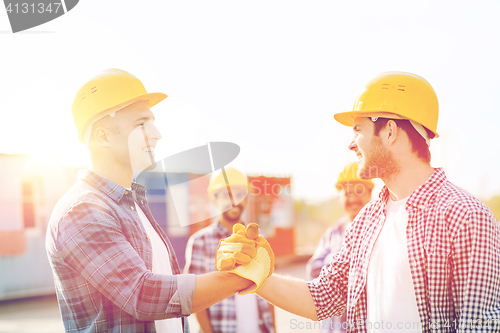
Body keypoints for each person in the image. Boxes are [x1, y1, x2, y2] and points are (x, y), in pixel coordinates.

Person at [215, 72, 500, 333]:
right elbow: (322, 299)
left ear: (389, 131)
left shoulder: (466, 217)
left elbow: (479, 327)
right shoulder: (367, 219)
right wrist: (257, 274)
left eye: (358, 130)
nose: (351, 144)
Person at [45, 69, 256, 333]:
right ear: (103, 136)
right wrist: (241, 277)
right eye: (142, 123)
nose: (157, 134)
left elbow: (171, 302)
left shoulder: (133, 205)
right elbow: (143, 295)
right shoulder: (82, 210)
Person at [184, 168, 275, 333]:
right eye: (227, 195)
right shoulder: (200, 242)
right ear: (214, 199)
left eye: (239, 195)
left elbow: (270, 288)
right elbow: (195, 296)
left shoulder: (259, 239)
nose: (234, 201)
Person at [306, 162, 373, 333]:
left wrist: (336, 275)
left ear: (370, 193)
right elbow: (313, 272)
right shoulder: (332, 233)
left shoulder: (380, 228)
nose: (353, 199)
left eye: (359, 191)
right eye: (348, 193)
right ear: (339, 197)